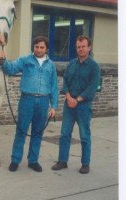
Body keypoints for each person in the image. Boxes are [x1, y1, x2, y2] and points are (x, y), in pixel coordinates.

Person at [0, 36, 58, 172]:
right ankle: (15, 160)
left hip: (43, 102)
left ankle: (33, 160)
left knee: (38, 132)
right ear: (33, 47)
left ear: (46, 49)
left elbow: (54, 86)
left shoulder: (51, 65)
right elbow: (11, 68)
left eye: (41, 47)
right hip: (27, 100)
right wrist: (3, 59)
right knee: (21, 131)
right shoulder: (25, 60)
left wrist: (53, 106)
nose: (38, 49)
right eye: (36, 46)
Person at [51, 35, 100, 174]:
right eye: (78, 47)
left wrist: (77, 99)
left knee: (85, 135)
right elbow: (65, 81)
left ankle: (85, 163)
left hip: (84, 106)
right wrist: (68, 97)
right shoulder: (71, 64)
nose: (81, 49)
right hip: (69, 105)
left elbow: (92, 87)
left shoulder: (94, 67)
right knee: (65, 134)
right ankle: (62, 161)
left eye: (83, 46)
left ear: (89, 47)